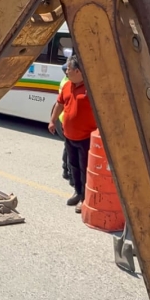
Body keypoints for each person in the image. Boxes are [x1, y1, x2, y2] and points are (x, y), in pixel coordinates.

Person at [48, 55, 97, 213]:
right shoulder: (68, 85)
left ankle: (84, 199)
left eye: (68, 69)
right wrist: (52, 120)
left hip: (86, 138)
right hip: (69, 136)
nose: (66, 71)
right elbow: (60, 104)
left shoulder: (91, 88)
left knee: (84, 169)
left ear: (77, 71)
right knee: (73, 167)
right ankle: (77, 192)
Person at [50, 64, 72, 185]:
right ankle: (67, 170)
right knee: (70, 147)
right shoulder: (67, 84)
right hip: (66, 119)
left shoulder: (66, 80)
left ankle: (66, 169)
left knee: (68, 146)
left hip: (64, 118)